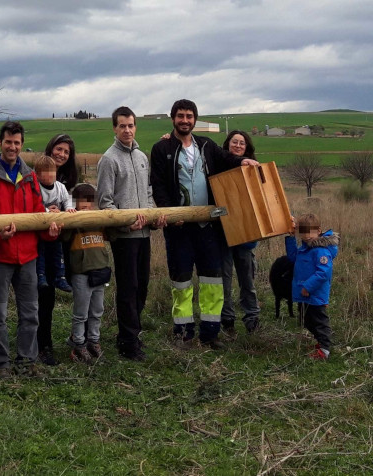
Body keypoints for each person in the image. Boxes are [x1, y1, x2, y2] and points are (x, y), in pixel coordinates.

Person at [150, 99, 258, 349]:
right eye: (180, 116)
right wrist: (169, 213)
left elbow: (226, 158)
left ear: (195, 119)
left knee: (213, 281)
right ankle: (184, 333)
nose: (185, 120)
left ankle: (211, 333)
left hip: (208, 227)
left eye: (189, 116)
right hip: (179, 228)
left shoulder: (206, 145)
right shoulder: (161, 148)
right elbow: (159, 185)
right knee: (182, 281)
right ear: (173, 118)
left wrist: (243, 161)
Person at [0, 121, 61, 377]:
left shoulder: (30, 176)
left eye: (17, 143)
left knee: (30, 312)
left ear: (22, 145)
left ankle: (27, 360)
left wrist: (49, 231)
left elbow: (37, 213)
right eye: (8, 142)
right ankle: (1, 364)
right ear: (0, 143)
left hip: (28, 255)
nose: (12, 147)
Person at [97, 106, 165, 361]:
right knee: (128, 289)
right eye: (122, 126)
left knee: (142, 287)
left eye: (131, 125)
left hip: (144, 234)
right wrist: (126, 224)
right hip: (124, 237)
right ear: (114, 128)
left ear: (136, 127)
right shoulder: (108, 159)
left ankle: (131, 335)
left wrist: (152, 217)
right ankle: (128, 343)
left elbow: (147, 193)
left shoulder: (141, 157)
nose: (127, 130)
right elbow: (105, 203)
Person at [36, 134, 78, 366]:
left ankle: (70, 339)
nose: (61, 154)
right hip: (39, 240)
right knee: (42, 295)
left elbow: (72, 205)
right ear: (50, 149)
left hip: (62, 241)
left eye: (66, 152)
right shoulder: (36, 177)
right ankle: (42, 345)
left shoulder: (66, 183)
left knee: (51, 291)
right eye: (58, 149)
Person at [61, 183, 111, 363]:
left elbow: (111, 233)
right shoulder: (72, 221)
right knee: (81, 312)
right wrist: (70, 219)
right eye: (82, 201)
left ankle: (94, 341)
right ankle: (78, 344)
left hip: (100, 270)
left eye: (90, 201)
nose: (86, 205)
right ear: (75, 202)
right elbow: (64, 237)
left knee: (97, 310)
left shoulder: (98, 220)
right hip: (81, 273)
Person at [220, 130, 262, 336]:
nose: (237, 145)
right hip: (224, 236)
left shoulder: (254, 169)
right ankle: (227, 320)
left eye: (242, 143)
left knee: (248, 280)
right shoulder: (217, 165)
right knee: (224, 281)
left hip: (247, 237)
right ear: (227, 145)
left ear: (247, 148)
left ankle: (252, 317)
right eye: (234, 142)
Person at [286, 214, 339, 360]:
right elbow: (292, 257)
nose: (306, 236)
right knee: (306, 320)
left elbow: (323, 272)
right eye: (303, 232)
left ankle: (324, 349)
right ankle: (320, 342)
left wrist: (308, 287)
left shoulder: (320, 250)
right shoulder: (305, 248)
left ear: (319, 231)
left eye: (310, 232)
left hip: (315, 295)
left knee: (319, 321)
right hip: (304, 295)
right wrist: (290, 238)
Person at [33, 154, 75, 292]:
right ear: (38, 175)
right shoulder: (36, 188)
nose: (51, 175)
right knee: (41, 252)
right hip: (41, 229)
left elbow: (67, 199)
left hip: (56, 228)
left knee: (58, 252)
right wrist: (46, 211)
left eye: (53, 171)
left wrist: (68, 209)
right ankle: (41, 276)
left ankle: (60, 277)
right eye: (46, 172)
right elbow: (35, 204)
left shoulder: (60, 187)